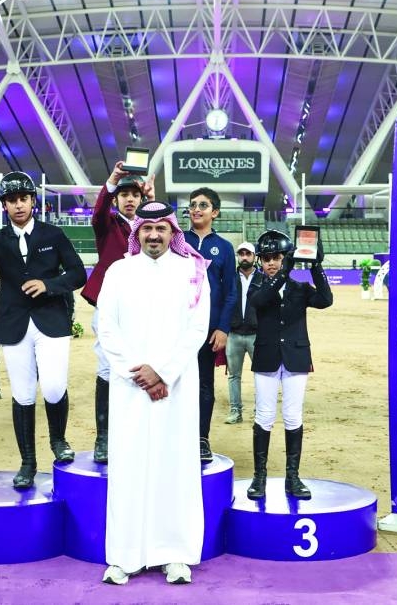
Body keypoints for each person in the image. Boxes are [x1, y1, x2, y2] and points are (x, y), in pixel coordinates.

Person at [97, 200, 210, 586]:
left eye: (161, 228)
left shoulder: (192, 271)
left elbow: (197, 329)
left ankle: (175, 554)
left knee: (174, 466)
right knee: (129, 467)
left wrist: (163, 372)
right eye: (147, 228)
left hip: (176, 388)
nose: (154, 235)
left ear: (173, 232)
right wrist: (140, 373)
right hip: (131, 389)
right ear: (137, 233)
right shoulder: (118, 272)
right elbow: (106, 327)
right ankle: (124, 556)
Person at [0, 171, 87, 489]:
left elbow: (77, 274)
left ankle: (58, 441)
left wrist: (49, 285)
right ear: (4, 205)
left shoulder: (53, 234)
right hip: (14, 325)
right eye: (12, 200)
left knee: (54, 387)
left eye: (23, 199)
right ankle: (27, 462)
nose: (18, 205)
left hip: (51, 322)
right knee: (23, 394)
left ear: (32, 201)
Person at [246, 229, 333, 501]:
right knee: (264, 416)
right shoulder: (257, 286)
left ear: (285, 257)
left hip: (295, 357)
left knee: (293, 416)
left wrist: (316, 265)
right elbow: (259, 301)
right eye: (266, 258)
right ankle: (259, 476)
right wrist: (286, 272)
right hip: (267, 357)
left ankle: (292, 477)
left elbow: (326, 300)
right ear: (260, 261)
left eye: (277, 257)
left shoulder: (299, 287)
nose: (271, 263)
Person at [80, 161, 154, 463]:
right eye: (124, 195)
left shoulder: (149, 228)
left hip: (143, 305)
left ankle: (137, 432)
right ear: (116, 199)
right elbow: (98, 212)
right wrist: (112, 180)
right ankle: (104, 438)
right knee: (107, 366)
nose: (130, 199)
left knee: (141, 364)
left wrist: (153, 201)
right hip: (109, 304)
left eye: (135, 195)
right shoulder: (107, 224)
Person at [184, 187, 237, 461]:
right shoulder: (177, 241)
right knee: (174, 380)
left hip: (208, 329)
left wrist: (223, 328)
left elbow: (231, 292)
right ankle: (176, 437)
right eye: (192, 204)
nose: (196, 209)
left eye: (202, 205)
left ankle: (201, 438)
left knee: (205, 383)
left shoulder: (225, 248)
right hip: (178, 327)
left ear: (214, 212)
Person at [225, 241, 264, 424]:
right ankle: (235, 411)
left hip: (257, 335)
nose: (245, 257)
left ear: (254, 256)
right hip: (233, 334)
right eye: (241, 254)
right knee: (234, 376)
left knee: (261, 376)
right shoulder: (230, 278)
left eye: (248, 254)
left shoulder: (263, 278)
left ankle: (260, 411)